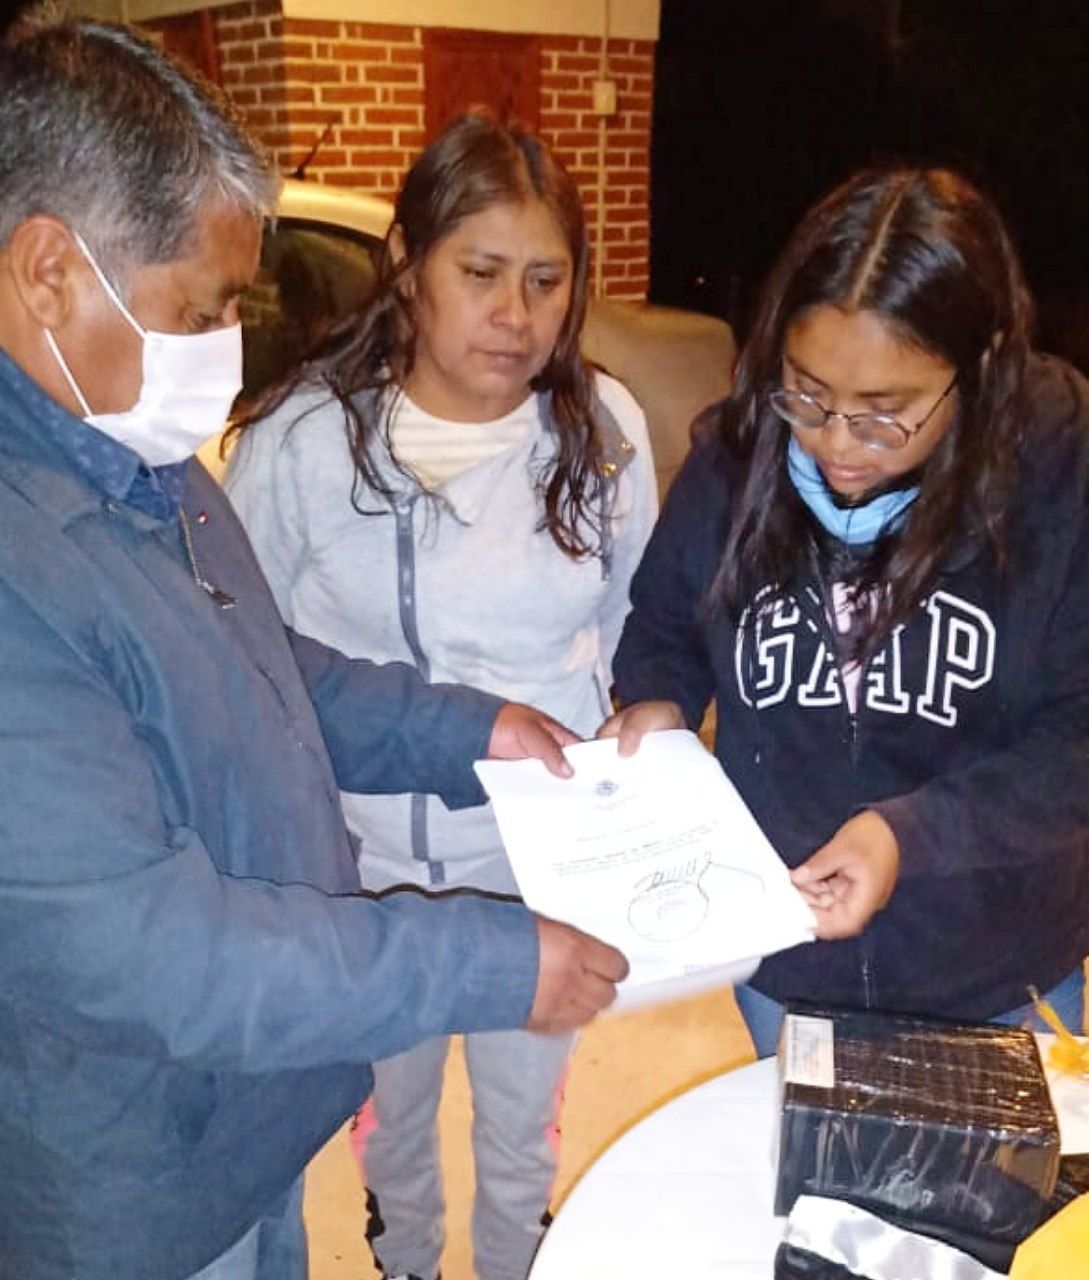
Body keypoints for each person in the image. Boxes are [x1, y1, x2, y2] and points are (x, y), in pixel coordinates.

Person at [0, 19, 629, 1280]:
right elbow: (163, 953)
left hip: (244, 1116)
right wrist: (491, 956)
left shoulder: (126, 447)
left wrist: (463, 727)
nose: (224, 342)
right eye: (200, 307)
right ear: (51, 272)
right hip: (137, 1179)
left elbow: (255, 665)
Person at [225, 114, 657, 1280]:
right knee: (388, 1112)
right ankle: (403, 1260)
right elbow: (250, 658)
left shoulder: (601, 430)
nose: (516, 315)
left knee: (522, 1126)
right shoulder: (302, 440)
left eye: (546, 279)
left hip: (540, 862)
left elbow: (630, 628)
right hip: (361, 866)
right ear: (408, 265)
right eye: (480, 275)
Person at [600, 166, 1089, 1057]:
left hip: (993, 973)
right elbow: (665, 626)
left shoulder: (1060, 481)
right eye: (808, 392)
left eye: (882, 415)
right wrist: (657, 699)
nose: (833, 446)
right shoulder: (731, 461)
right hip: (785, 956)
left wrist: (909, 837)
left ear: (976, 370)